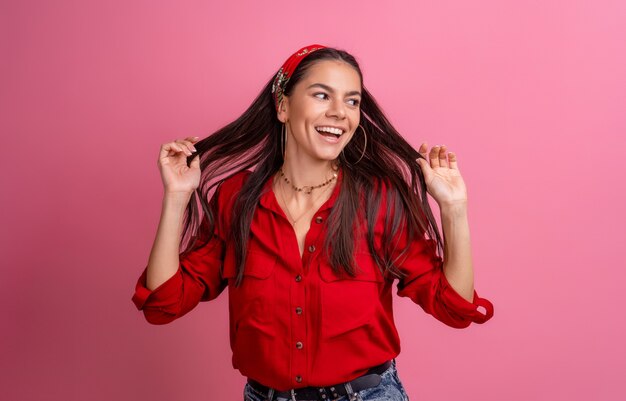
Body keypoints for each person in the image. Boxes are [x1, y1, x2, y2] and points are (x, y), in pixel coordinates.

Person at [131, 44, 494, 401]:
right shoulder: (235, 199)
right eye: (323, 95)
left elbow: (454, 309)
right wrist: (176, 198)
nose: (340, 112)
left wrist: (454, 209)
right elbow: (164, 305)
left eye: (352, 101)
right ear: (283, 106)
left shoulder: (379, 199)